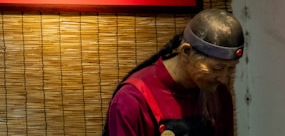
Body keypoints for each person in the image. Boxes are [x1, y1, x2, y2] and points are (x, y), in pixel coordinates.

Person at [103, 9, 245, 136]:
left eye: (231, 68)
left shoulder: (218, 95)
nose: (223, 79)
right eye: (217, 68)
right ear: (186, 52)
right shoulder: (131, 100)